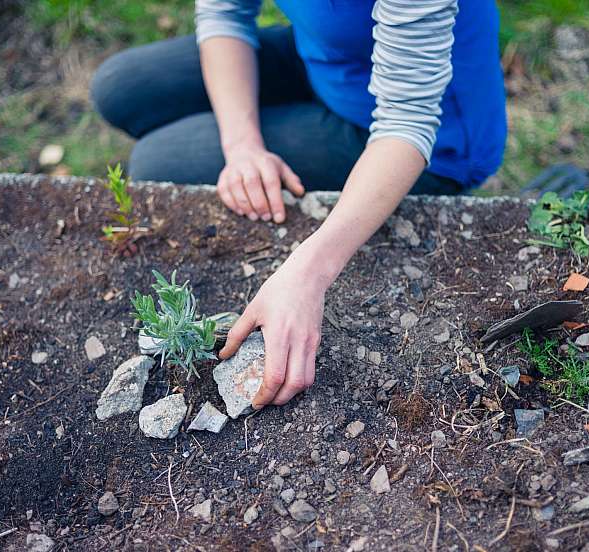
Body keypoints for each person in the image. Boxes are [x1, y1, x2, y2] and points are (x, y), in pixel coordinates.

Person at [91, 0, 507, 410]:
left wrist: (307, 274)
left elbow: (406, 120)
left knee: (159, 161)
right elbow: (225, 12)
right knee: (121, 86)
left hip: (429, 136)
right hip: (329, 55)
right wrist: (243, 147)